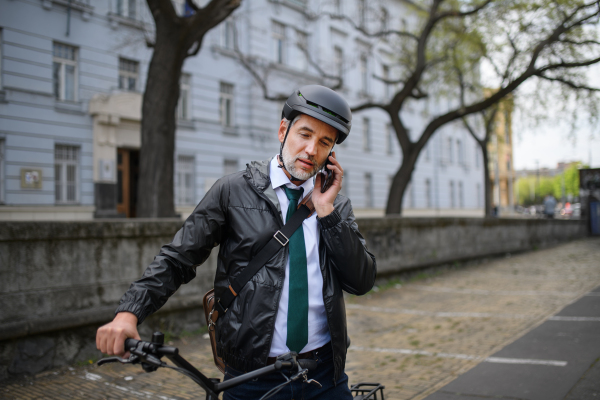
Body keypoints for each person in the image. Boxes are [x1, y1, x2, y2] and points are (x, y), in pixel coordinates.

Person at [96, 85, 377, 399]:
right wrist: (128, 314)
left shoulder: (336, 205)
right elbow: (177, 259)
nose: (311, 149)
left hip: (324, 375)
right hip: (252, 376)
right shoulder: (232, 191)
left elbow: (361, 280)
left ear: (332, 152)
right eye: (304, 134)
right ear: (283, 130)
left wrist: (327, 212)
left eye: (324, 142)